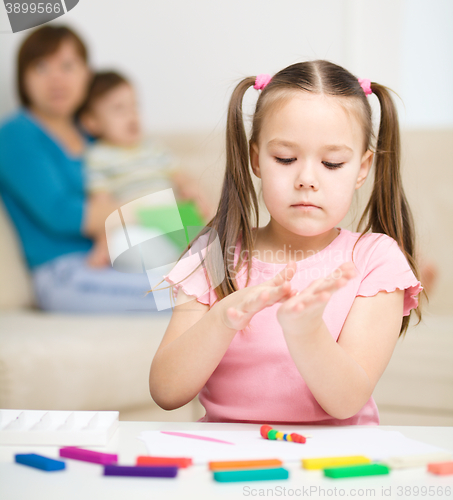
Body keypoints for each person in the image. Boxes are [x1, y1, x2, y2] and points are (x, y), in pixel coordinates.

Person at [149, 61, 426, 425]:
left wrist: (307, 330)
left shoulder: (376, 259)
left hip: (336, 466)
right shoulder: (213, 253)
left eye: (332, 162)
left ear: (362, 168)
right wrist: (223, 317)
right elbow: (166, 393)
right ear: (256, 159)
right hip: (225, 460)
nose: (307, 179)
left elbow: (345, 402)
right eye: (285, 158)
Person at [0, 25, 167, 313]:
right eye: (41, 67)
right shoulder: (16, 134)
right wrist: (154, 205)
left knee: (200, 283)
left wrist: (184, 186)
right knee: (187, 295)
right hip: (64, 272)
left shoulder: (93, 136)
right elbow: (61, 213)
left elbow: (144, 169)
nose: (56, 79)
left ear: (86, 75)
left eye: (67, 66)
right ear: (23, 78)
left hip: (116, 260)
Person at [77, 71, 212, 268]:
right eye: (119, 109)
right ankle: (174, 271)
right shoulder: (98, 157)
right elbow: (101, 202)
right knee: (123, 242)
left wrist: (193, 191)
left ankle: (198, 261)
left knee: (206, 230)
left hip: (170, 213)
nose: (131, 115)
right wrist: (103, 244)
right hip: (138, 219)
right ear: (92, 122)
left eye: (134, 106)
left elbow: (180, 176)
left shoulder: (152, 147)